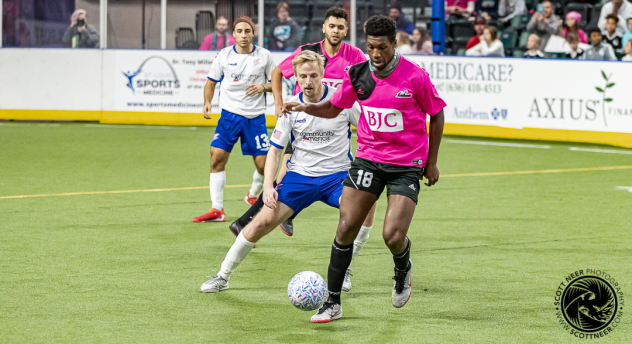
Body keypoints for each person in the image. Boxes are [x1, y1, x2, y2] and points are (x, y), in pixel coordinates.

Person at [281, 14, 446, 323]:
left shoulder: (415, 76)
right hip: (368, 159)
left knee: (392, 235)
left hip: (405, 165)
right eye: (370, 47)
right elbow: (334, 107)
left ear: (394, 43)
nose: (376, 54)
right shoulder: (357, 73)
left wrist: (431, 162)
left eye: (382, 47)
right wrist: (307, 107)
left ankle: (402, 268)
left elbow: (436, 114)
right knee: (345, 226)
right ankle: (332, 302)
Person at [200, 50, 377, 294]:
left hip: (337, 177)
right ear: (295, 77)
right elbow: (274, 151)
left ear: (323, 74)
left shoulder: (342, 103)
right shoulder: (289, 108)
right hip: (299, 179)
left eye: (314, 75)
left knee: (367, 205)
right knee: (261, 222)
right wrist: (269, 187)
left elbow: (370, 132)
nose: (308, 81)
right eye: (303, 76)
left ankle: (345, 266)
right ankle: (223, 276)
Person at [236, 6, 367, 236]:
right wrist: (278, 103)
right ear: (324, 27)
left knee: (284, 178)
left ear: (346, 30)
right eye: (332, 26)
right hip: (302, 121)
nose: (335, 31)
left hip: (331, 123)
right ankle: (253, 223)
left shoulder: (355, 55)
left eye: (340, 27)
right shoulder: (308, 51)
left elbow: (364, 86)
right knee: (282, 177)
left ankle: (258, 221)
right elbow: (277, 72)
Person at [193, 17, 276, 223]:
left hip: (255, 118)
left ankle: (252, 195)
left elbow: (276, 83)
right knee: (216, 156)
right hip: (229, 117)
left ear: (253, 33)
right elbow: (211, 82)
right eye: (239, 31)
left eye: (247, 31)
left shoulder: (264, 56)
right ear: (234, 34)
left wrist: (262, 87)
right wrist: (207, 102)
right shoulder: (224, 55)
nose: (244, 35)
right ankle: (217, 209)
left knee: (264, 166)